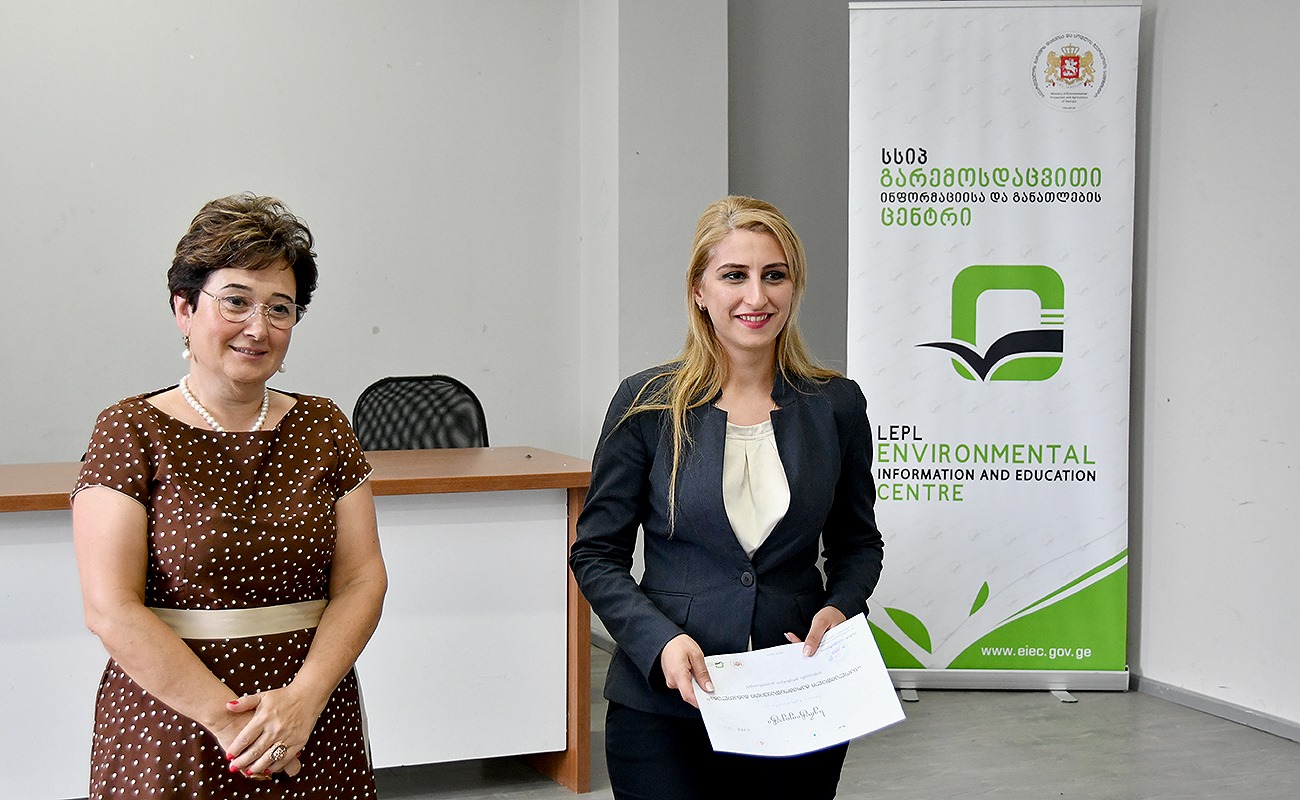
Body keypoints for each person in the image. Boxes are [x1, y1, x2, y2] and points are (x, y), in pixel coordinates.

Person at [71, 193, 388, 798]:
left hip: (311, 719)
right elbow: (110, 608)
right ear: (184, 308)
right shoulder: (130, 429)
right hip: (174, 723)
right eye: (236, 301)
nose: (258, 328)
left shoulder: (324, 426)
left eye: (280, 308)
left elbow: (362, 580)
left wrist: (302, 703)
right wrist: (234, 725)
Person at [569, 195, 885, 799]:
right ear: (699, 290)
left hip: (798, 698)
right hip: (665, 704)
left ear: (794, 286)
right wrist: (660, 641)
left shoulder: (836, 404)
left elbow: (858, 542)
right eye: (734, 276)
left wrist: (840, 608)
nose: (756, 297)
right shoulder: (647, 404)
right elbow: (596, 554)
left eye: (775, 275)